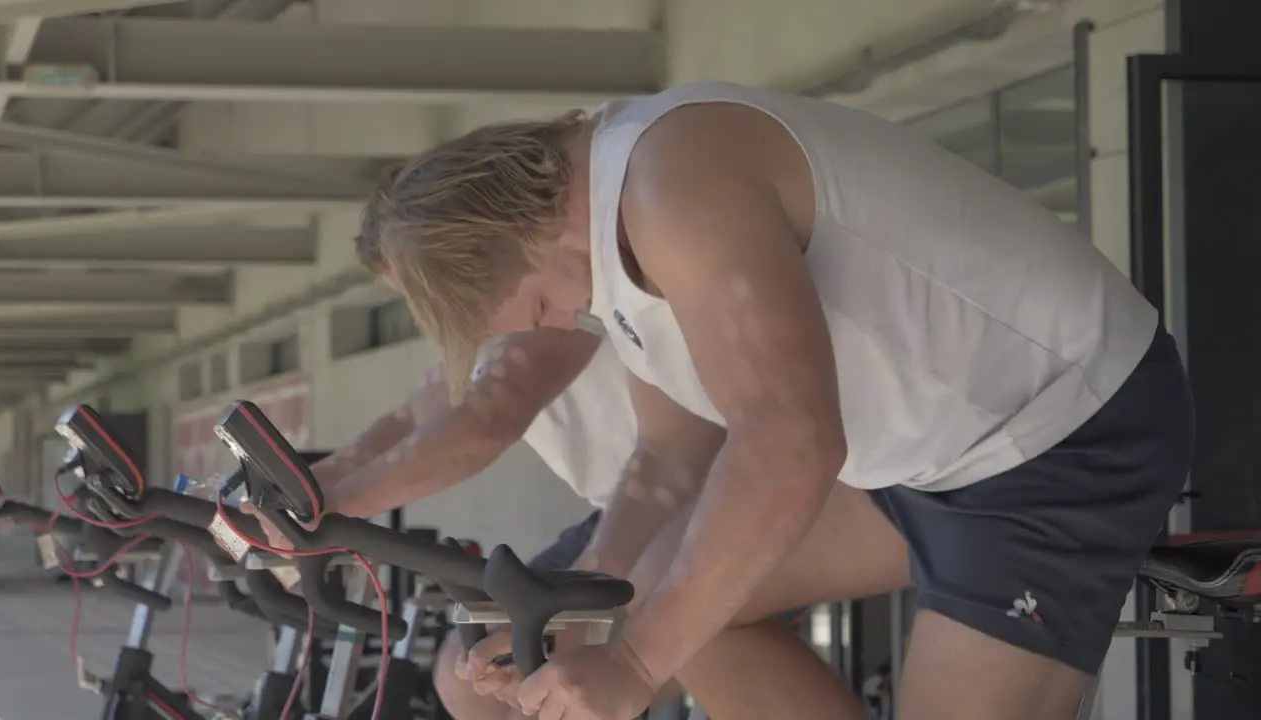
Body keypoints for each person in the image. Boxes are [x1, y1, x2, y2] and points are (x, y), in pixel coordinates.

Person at [362, 81, 1195, 720]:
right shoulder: (617, 226)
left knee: (674, 619)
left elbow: (790, 446)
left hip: (1055, 437)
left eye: (538, 310)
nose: (561, 324)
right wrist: (579, 615)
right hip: (928, 460)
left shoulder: (668, 184)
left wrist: (638, 667)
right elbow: (665, 464)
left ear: (517, 233)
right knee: (688, 605)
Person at [251, 231, 847, 719]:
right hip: (627, 504)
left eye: (422, 287)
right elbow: (410, 416)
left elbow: (490, 418)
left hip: (701, 492)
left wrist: (339, 504)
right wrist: (310, 489)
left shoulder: (551, 306)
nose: (425, 307)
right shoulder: (479, 333)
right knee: (469, 676)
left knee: (575, 680)